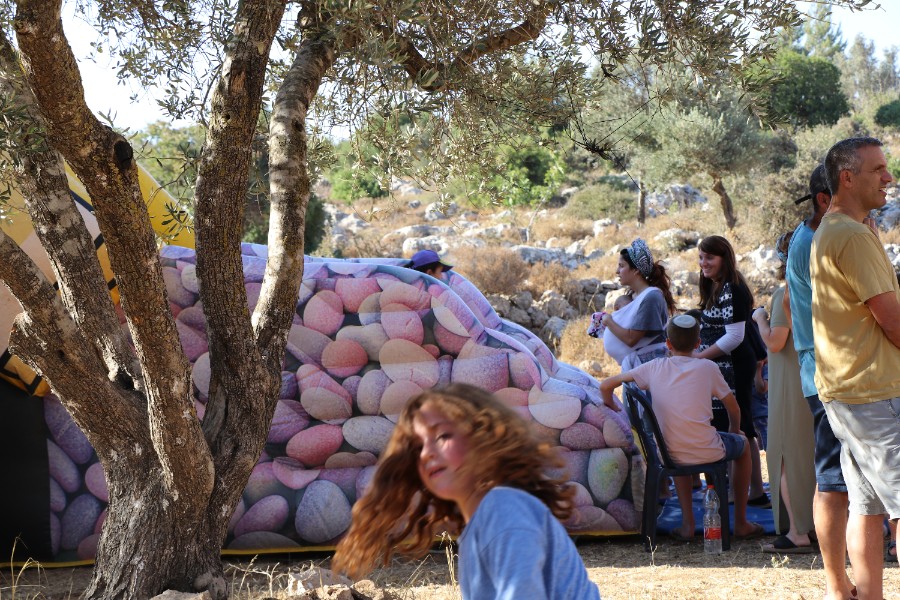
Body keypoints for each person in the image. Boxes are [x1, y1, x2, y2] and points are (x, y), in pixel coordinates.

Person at [331, 383, 601, 599]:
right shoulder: (479, 524)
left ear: (484, 439)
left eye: (444, 436)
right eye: (418, 447)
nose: (427, 454)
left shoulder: (503, 510)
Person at [811, 137, 900, 600]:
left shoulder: (833, 229)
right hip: (876, 392)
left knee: (866, 507)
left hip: (849, 395)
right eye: (878, 169)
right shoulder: (851, 235)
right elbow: (892, 320)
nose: (889, 177)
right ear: (848, 177)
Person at [600, 315, 762, 541]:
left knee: (676, 444)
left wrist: (610, 404)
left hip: (666, 454)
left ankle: (687, 524)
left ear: (668, 344)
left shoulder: (653, 367)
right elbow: (734, 409)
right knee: (743, 446)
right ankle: (742, 522)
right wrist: (735, 429)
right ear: (698, 343)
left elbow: (606, 385)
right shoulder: (708, 367)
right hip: (708, 450)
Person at [785, 163, 854, 600]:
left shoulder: (804, 236)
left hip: (823, 369)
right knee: (833, 479)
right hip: (830, 372)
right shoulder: (814, 241)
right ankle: (835, 581)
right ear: (825, 202)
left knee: (840, 478)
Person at [752, 231, 816, 554]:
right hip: (815, 381)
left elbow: (775, 341)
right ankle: (816, 525)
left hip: (789, 385)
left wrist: (759, 318)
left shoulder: (785, 293)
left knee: (785, 456)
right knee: (813, 454)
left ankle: (797, 531)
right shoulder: (821, 290)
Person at [693, 235, 768, 507]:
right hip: (720, 366)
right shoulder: (715, 285)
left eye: (710, 257)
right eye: (701, 257)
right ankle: (753, 491)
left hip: (735, 366)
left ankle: (749, 493)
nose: (704, 263)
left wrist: (700, 357)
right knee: (737, 425)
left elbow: (734, 337)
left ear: (725, 258)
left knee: (740, 425)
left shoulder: (734, 289)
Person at [600, 238, 675, 368]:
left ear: (636, 270)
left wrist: (608, 321)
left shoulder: (651, 297)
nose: (617, 271)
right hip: (635, 368)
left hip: (649, 369)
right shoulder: (634, 296)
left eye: (622, 266)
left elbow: (631, 339)